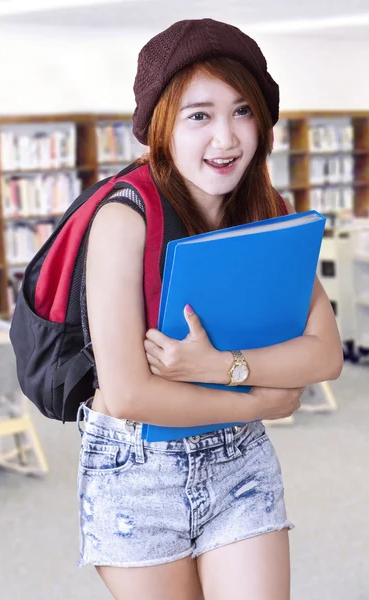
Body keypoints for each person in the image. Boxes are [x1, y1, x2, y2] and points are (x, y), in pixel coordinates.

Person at [77, 18, 343, 600]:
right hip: (135, 471)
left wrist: (215, 367)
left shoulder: (272, 213)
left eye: (243, 110)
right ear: (162, 125)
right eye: (200, 115)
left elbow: (325, 354)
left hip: (239, 463)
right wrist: (263, 397)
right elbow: (128, 395)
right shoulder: (124, 220)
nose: (226, 139)